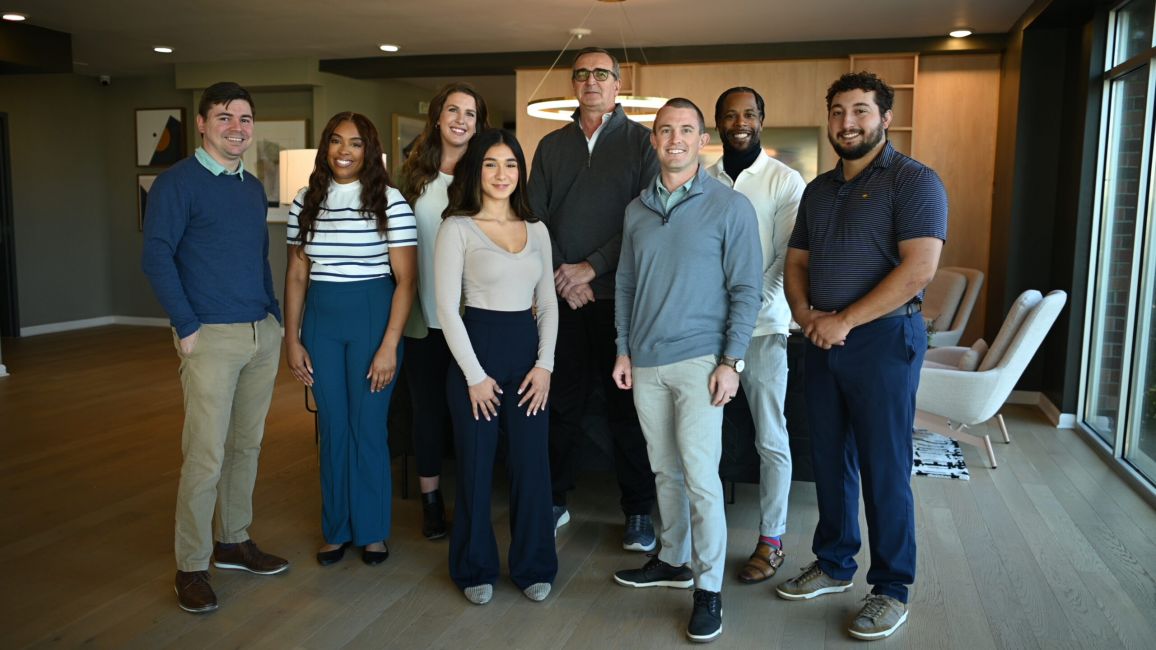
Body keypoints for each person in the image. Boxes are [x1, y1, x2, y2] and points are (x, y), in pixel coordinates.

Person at [777, 71, 947, 642]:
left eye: (860, 111)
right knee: (827, 458)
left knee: (884, 465)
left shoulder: (914, 181)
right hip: (820, 338)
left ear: (884, 118)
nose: (847, 123)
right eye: (838, 112)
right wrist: (806, 318)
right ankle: (832, 562)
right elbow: (796, 262)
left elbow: (918, 269)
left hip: (882, 341)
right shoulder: (818, 189)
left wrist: (844, 319)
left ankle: (892, 587)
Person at [611, 98, 762, 644]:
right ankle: (673, 560)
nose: (675, 139)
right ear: (654, 141)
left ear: (703, 141)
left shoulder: (730, 207)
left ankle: (708, 589)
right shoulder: (636, 210)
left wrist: (732, 361)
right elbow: (626, 285)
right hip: (646, 361)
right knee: (663, 471)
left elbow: (746, 290)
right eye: (665, 130)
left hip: (702, 360)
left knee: (701, 478)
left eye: (686, 130)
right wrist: (623, 350)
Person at [142, 81, 288, 614]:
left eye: (245, 119)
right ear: (202, 123)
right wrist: (186, 326)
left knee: (246, 446)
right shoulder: (176, 183)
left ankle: (233, 539)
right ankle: (191, 565)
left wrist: (272, 313)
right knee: (204, 455)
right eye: (224, 117)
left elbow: (256, 257)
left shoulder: (250, 186)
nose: (236, 128)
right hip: (209, 337)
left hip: (258, 333)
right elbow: (156, 256)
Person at [527, 46, 659, 550]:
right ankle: (555, 498)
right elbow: (532, 217)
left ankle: (637, 513)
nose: (591, 81)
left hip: (619, 300)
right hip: (561, 299)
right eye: (581, 74)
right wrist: (564, 274)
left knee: (626, 409)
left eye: (601, 74)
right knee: (559, 403)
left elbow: (646, 219)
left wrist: (592, 268)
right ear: (573, 84)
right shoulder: (551, 146)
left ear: (618, 84)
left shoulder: (642, 143)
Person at [283, 112, 417, 567]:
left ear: (369, 150)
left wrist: (388, 346)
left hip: (373, 319)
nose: (344, 151)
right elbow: (297, 273)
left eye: (355, 143)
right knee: (333, 428)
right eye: (336, 142)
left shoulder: (391, 201)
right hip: (321, 321)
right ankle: (336, 528)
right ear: (325, 148)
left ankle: (373, 530)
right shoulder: (305, 200)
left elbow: (405, 281)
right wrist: (292, 339)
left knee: (368, 428)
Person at [436, 129, 559, 606]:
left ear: (520, 172)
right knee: (475, 468)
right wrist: (474, 376)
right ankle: (474, 567)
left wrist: (545, 366)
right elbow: (447, 308)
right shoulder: (457, 227)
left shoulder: (539, 230)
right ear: (476, 170)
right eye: (491, 164)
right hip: (476, 358)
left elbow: (547, 303)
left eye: (510, 164)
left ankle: (534, 566)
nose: (501, 174)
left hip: (529, 362)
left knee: (532, 468)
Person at [705, 87, 805, 584]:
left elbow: (785, 261)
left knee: (771, 438)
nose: (739, 122)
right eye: (730, 115)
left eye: (748, 114)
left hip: (763, 331)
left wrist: (741, 318)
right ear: (718, 123)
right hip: (707, 334)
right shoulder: (705, 181)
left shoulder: (785, 181)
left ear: (762, 119)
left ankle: (772, 540)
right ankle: (702, 539)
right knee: (703, 439)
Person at [399, 82, 489, 540]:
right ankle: (431, 503)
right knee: (427, 413)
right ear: (436, 118)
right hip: (423, 320)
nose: (461, 119)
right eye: (452, 110)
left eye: (470, 113)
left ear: (478, 123)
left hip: (475, 319)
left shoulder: (487, 175)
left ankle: (474, 502)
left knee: (473, 412)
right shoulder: (412, 177)